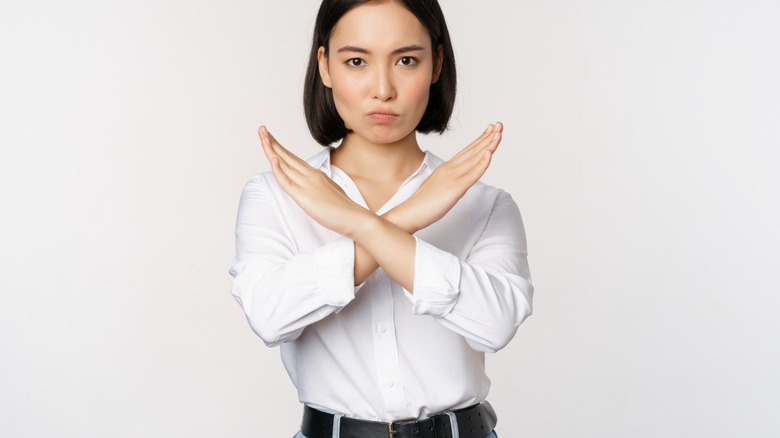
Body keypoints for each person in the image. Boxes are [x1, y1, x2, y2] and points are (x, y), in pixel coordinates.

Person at [228, 1, 534, 437]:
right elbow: (269, 317)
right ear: (325, 67)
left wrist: (364, 224)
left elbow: (496, 325)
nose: (383, 88)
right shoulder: (275, 196)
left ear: (436, 64)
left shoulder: (485, 204)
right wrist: (408, 218)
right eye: (356, 61)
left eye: (406, 60)